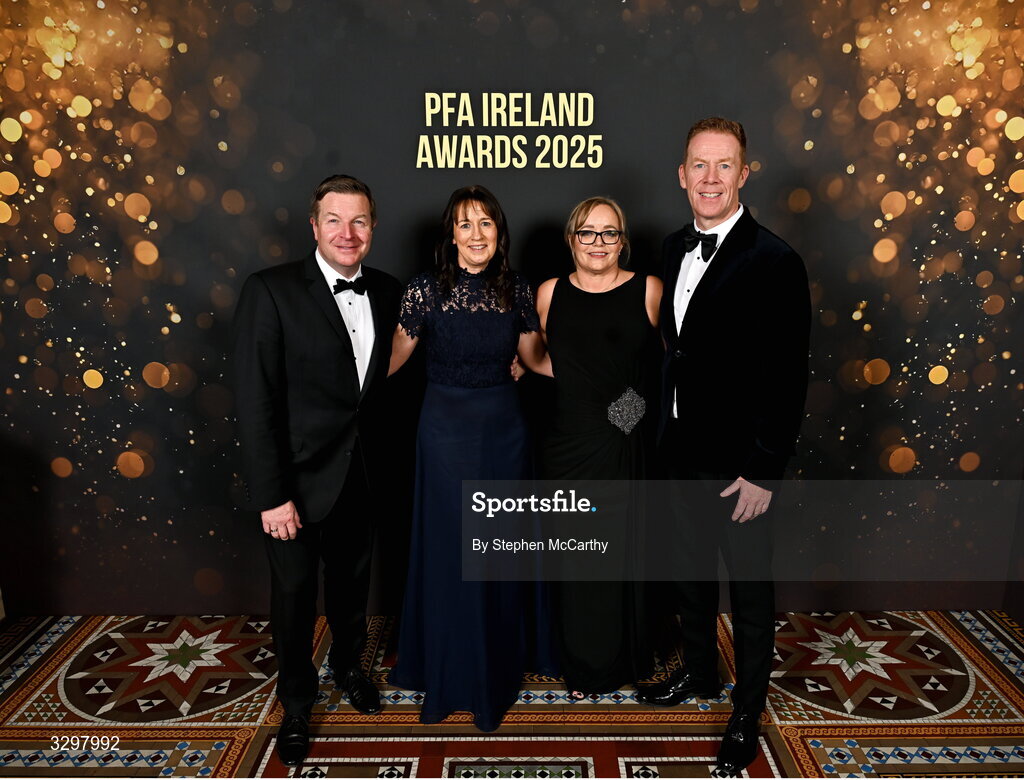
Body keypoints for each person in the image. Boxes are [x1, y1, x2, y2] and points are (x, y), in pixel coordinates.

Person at [634, 117, 810, 777]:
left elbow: (788, 375)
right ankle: (701, 678)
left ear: (743, 173)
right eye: (699, 166)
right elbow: (667, 355)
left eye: (723, 165)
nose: (710, 178)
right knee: (689, 576)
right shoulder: (673, 246)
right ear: (682, 174)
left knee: (751, 593)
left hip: (741, 465)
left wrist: (765, 470)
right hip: (679, 451)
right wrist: (629, 420)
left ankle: (747, 709)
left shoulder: (775, 261)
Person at [232, 175, 402, 767]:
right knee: (296, 598)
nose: (347, 233)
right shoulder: (270, 291)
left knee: (353, 587)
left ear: (373, 228)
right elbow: (255, 402)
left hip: (363, 474)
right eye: (335, 220)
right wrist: (271, 494)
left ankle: (351, 667)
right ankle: (297, 704)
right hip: (296, 485)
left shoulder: (388, 290)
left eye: (359, 222)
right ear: (314, 226)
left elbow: (384, 388)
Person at [387, 185, 551, 731]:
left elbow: (533, 358)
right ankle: (449, 671)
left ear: (500, 232)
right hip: (443, 436)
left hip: (505, 434)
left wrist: (597, 377)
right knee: (451, 550)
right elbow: (389, 362)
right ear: (449, 233)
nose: (476, 235)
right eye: (464, 224)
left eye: (486, 224)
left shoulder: (518, 290)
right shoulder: (423, 292)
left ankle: (494, 671)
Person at [534, 197, 662, 697]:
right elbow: (548, 359)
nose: (598, 243)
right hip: (565, 444)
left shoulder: (649, 289)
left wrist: (620, 423)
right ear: (571, 239)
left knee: (615, 556)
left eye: (609, 233)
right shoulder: (548, 293)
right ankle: (579, 665)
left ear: (622, 241)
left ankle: (617, 663)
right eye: (587, 233)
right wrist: (524, 368)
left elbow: (665, 369)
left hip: (622, 441)